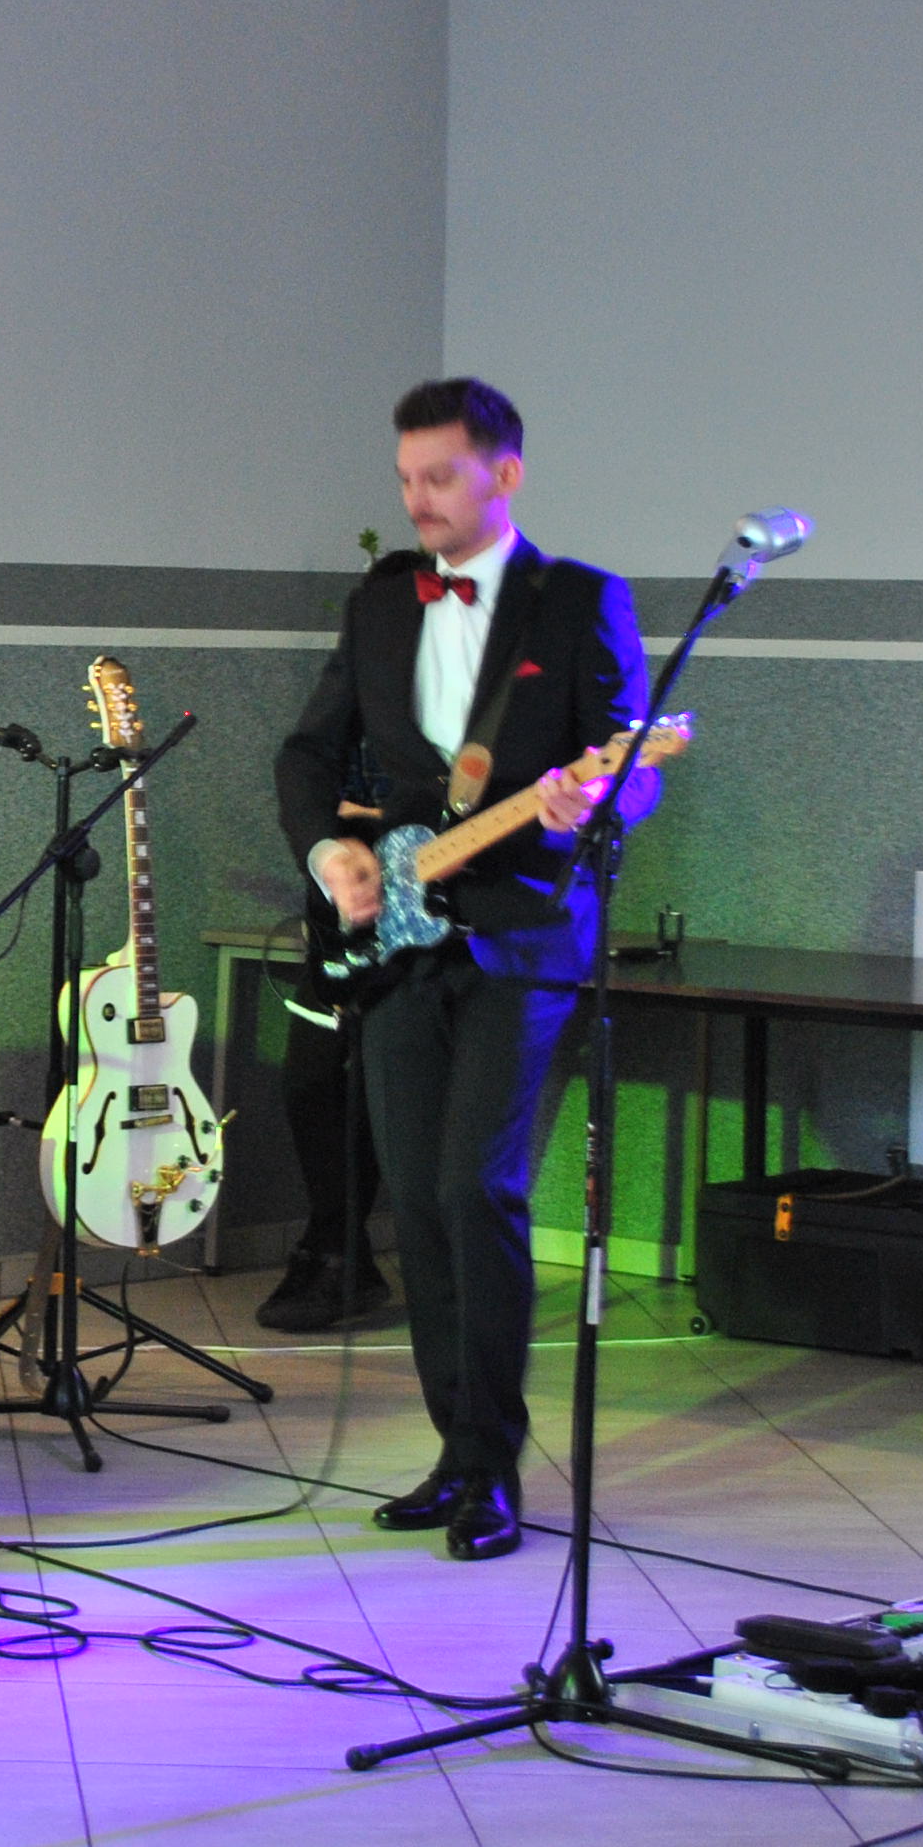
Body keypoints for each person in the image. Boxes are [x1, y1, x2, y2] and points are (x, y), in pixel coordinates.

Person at [273, 378, 654, 1561]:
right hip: (397, 937)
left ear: (505, 474)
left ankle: (491, 1468)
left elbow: (632, 768)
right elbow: (304, 754)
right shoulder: (380, 606)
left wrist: (591, 802)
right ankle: (451, 1453)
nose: (417, 499)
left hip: (521, 935)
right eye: (404, 479)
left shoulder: (576, 600)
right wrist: (330, 852)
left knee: (474, 1189)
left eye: (438, 476)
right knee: (418, 1203)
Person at [256, 739, 390, 1335]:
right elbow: (303, 787)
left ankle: (335, 1252)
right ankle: (340, 1249)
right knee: (307, 1087)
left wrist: (359, 819)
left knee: (368, 1098)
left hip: (412, 922)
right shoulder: (341, 716)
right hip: (337, 936)